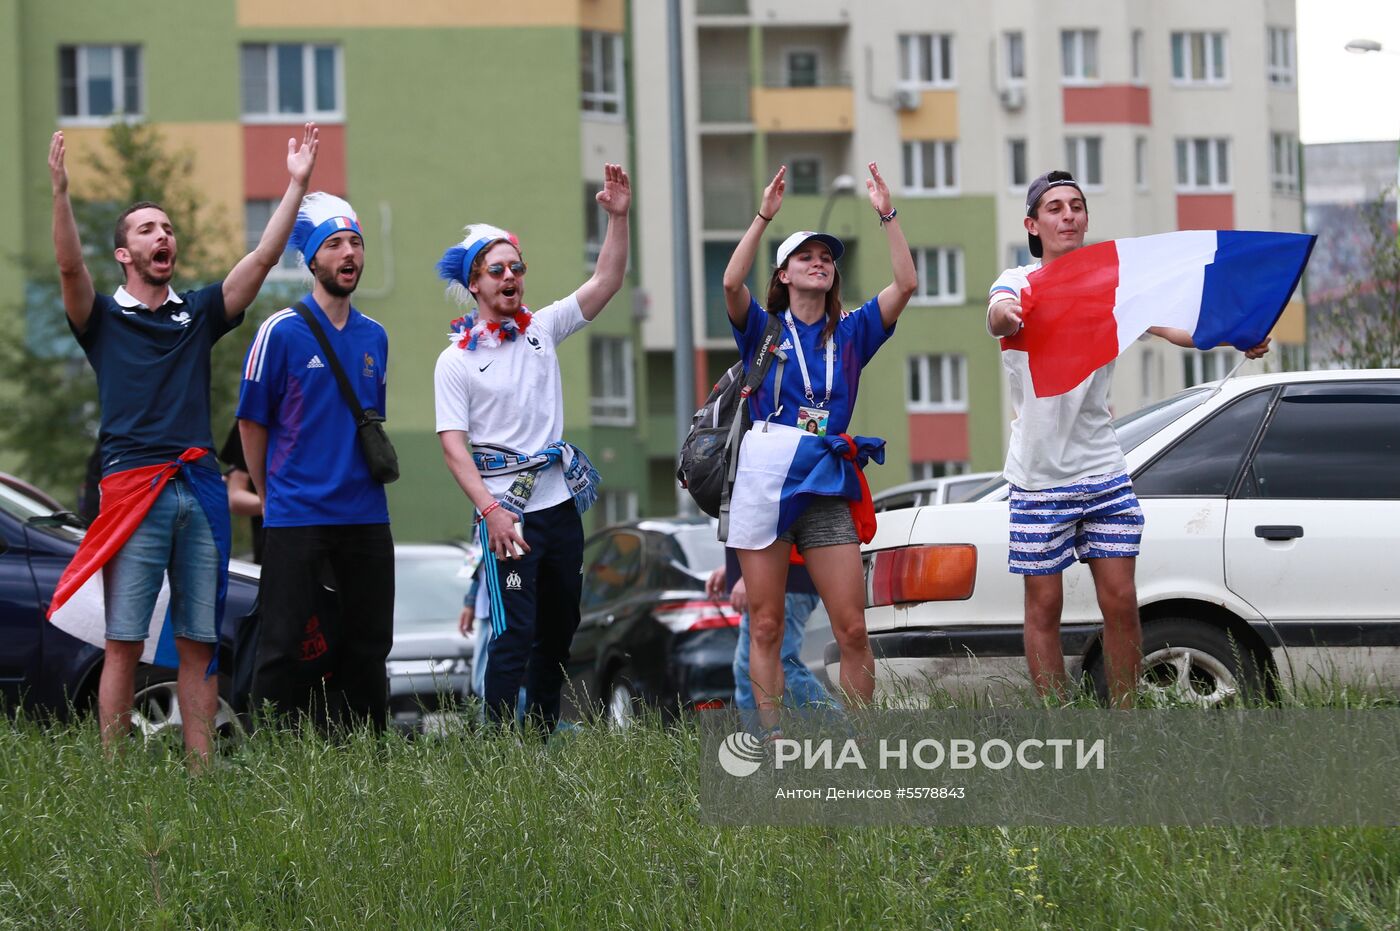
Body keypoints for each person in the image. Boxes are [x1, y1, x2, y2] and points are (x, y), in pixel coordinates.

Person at [45, 124, 319, 765]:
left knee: (200, 640)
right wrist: (60, 193)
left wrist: (297, 185)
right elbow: (67, 265)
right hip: (133, 488)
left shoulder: (195, 313)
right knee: (124, 640)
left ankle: (203, 775)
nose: (162, 236)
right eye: (146, 229)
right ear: (123, 253)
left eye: (166, 228)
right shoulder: (102, 319)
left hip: (199, 488)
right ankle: (112, 779)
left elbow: (258, 263)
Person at [986, 170, 1271, 707]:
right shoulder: (1020, 283)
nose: (1068, 215)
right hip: (1037, 475)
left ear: (1085, 217)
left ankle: (1125, 722)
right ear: (1033, 224)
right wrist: (1008, 313)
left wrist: (1238, 332)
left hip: (1103, 470)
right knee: (1043, 605)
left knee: (1120, 602)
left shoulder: (1110, 285)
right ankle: (1057, 724)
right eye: (1054, 208)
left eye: (1076, 206)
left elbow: (1175, 327)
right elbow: (998, 316)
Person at [434, 163, 631, 734]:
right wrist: (492, 511)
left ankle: (540, 740)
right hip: (508, 516)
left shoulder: (542, 329)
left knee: (559, 626)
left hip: (557, 508)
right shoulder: (456, 360)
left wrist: (617, 218)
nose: (509, 276)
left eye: (516, 267)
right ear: (475, 284)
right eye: (496, 270)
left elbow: (607, 282)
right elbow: (453, 448)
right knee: (514, 631)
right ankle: (498, 748)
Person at [721, 162, 916, 731]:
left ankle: (857, 745)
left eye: (828, 258)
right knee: (765, 626)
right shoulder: (764, 329)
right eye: (806, 256)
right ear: (784, 273)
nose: (820, 263)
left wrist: (887, 214)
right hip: (765, 485)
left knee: (851, 628)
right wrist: (764, 217)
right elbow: (731, 284)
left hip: (826, 483)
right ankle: (775, 741)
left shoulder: (851, 332)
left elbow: (905, 285)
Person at [237, 191, 394, 731]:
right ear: (311, 259)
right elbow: (251, 424)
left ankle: (368, 760)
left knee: (369, 647)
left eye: (356, 242)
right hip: (297, 516)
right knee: (283, 648)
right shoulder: (279, 331)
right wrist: (270, 494)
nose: (349, 252)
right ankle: (270, 760)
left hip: (367, 518)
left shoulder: (377, 336)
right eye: (334, 244)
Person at [706, 549, 837, 722]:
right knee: (750, 672)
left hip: (779, 576)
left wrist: (749, 574)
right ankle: (763, 745)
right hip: (777, 573)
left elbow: (774, 524)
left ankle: (847, 732)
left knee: (775, 668)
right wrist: (734, 566)